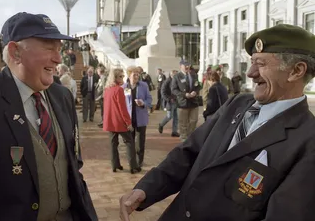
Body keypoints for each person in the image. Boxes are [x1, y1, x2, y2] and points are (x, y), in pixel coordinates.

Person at [119, 24, 315, 221]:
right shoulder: (237, 104)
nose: (250, 73)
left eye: (261, 64)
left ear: (296, 71)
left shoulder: (308, 141)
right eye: (252, 62)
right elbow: (189, 153)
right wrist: (146, 189)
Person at [0, 12, 97, 221]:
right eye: (49, 47)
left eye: (59, 48)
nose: (57, 58)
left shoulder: (62, 95)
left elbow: (72, 165)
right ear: (15, 52)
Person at [103, 68, 139, 174]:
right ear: (115, 78)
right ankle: (133, 166)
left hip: (110, 121)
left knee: (113, 144)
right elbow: (122, 109)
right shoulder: (118, 90)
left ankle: (115, 165)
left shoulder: (107, 89)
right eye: (120, 76)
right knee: (129, 143)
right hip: (119, 122)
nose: (122, 78)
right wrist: (128, 123)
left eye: (123, 76)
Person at [122, 66, 152, 169]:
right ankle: (132, 161)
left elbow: (149, 99)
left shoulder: (144, 85)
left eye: (138, 74)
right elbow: (123, 103)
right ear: (129, 74)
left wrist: (143, 103)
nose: (136, 76)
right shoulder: (124, 87)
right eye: (134, 74)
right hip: (129, 119)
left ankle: (139, 162)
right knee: (130, 142)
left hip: (141, 118)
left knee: (140, 142)